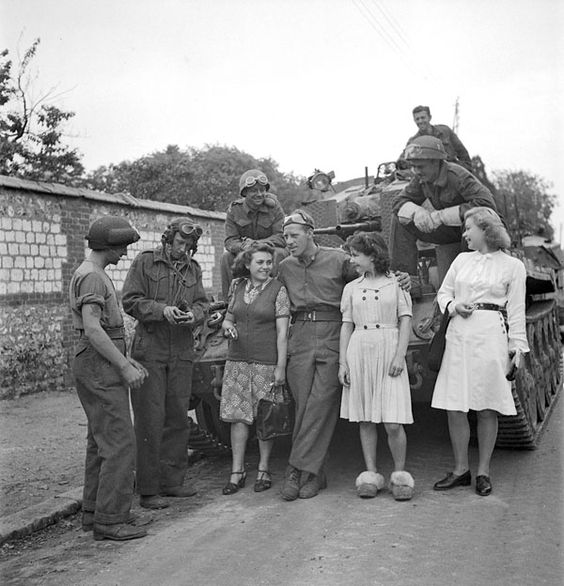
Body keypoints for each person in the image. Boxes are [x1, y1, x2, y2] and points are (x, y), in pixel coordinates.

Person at [277, 210, 411, 501]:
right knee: (302, 406)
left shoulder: (338, 259)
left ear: (310, 232)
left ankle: (297, 469)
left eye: (294, 235)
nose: (288, 241)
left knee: (321, 405)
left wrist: (400, 277)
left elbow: (372, 275)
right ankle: (314, 472)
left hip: (331, 333)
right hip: (300, 334)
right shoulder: (285, 266)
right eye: (285, 236)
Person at [431, 207, 529, 496]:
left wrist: (517, 348)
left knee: (487, 406)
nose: (464, 234)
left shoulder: (513, 266)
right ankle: (461, 469)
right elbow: (443, 292)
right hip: (459, 334)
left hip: (491, 335)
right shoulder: (461, 260)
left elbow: (517, 311)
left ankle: (483, 471)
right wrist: (453, 306)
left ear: (485, 229)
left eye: (468, 228)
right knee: (455, 405)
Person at [69, 216, 148, 541]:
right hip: (99, 366)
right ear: (109, 244)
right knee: (119, 443)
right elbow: (92, 330)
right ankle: (110, 520)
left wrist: (124, 358)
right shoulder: (92, 278)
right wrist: (123, 367)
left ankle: (94, 512)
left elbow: (103, 332)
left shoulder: (92, 273)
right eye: (123, 247)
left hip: (98, 361)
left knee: (99, 441)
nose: (125, 254)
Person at [122, 217, 209, 510]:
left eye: (189, 246)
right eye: (179, 243)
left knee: (176, 416)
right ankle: (148, 490)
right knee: (150, 418)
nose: (183, 249)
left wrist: (193, 316)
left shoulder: (193, 269)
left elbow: (202, 304)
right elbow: (130, 300)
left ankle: (173, 482)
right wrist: (162, 311)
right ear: (168, 239)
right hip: (151, 350)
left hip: (182, 350)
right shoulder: (145, 263)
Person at [338, 232, 415, 501]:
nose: (351, 260)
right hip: (360, 348)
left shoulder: (397, 285)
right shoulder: (351, 288)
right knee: (366, 417)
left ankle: (400, 475)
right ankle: (370, 474)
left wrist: (399, 355)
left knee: (393, 421)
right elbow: (347, 325)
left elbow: (406, 320)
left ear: (372, 255)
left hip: (389, 345)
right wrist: (343, 362)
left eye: (355, 255)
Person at [219, 242, 290, 494]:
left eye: (269, 262)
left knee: (264, 418)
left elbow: (282, 333)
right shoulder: (237, 286)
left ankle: (263, 469)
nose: (265, 267)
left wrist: (280, 367)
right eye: (260, 262)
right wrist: (227, 327)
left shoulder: (278, 290)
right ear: (247, 264)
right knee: (238, 418)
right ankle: (236, 472)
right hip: (236, 362)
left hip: (265, 363)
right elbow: (229, 318)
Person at [390, 135, 498, 288]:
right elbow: (398, 202)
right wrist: (416, 212)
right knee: (400, 218)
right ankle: (406, 281)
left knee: (472, 221)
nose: (416, 171)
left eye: (420, 166)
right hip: (451, 232)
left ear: (436, 162)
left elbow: (487, 206)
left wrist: (441, 216)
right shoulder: (421, 179)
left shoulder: (457, 176)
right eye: (413, 166)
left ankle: (469, 282)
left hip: (481, 234)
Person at [221, 169, 287, 299]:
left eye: (262, 190)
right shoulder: (234, 210)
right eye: (254, 191)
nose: (259, 194)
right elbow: (230, 241)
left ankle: (274, 298)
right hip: (245, 254)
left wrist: (259, 244)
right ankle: (230, 301)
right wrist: (244, 247)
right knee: (226, 257)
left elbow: (281, 236)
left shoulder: (274, 208)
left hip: (270, 252)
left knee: (280, 253)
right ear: (244, 193)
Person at [401, 105, 472, 172]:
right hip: (429, 178)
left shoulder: (445, 131)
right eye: (417, 119)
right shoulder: (413, 141)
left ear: (429, 117)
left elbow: (463, 153)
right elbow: (403, 159)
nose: (420, 121)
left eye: (423, 118)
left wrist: (465, 171)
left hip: (450, 172)